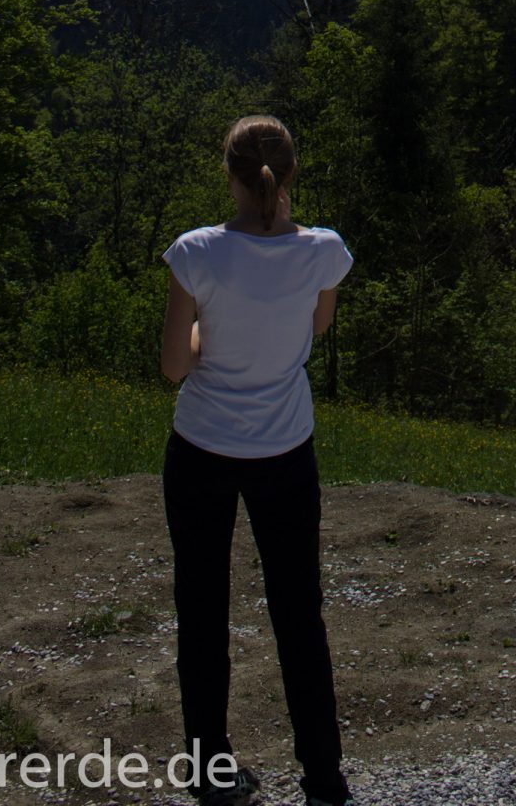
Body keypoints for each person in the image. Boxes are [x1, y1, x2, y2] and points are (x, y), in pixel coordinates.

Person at [160, 115, 355, 806]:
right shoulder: (324, 252)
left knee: (203, 610)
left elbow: (174, 365)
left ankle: (211, 773)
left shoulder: (195, 252)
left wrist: (203, 328)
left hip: (202, 448)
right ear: (290, 175)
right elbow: (317, 325)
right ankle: (324, 780)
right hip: (285, 451)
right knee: (300, 613)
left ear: (228, 174)